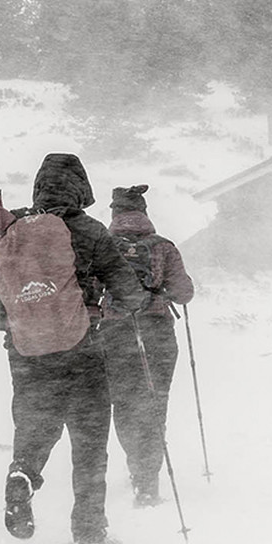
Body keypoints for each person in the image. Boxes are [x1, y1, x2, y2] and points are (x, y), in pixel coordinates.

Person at [0, 153, 146, 544]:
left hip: (27, 353)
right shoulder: (91, 232)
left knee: (34, 429)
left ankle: (23, 474)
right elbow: (130, 294)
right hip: (84, 351)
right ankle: (89, 529)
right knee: (89, 444)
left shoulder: (9, 229)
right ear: (81, 189)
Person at [98, 185, 195, 508]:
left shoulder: (102, 247)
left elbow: (90, 289)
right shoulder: (163, 247)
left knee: (124, 405)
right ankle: (148, 479)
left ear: (115, 214)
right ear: (144, 213)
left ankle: (134, 465)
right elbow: (184, 293)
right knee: (155, 403)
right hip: (157, 334)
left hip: (115, 333)